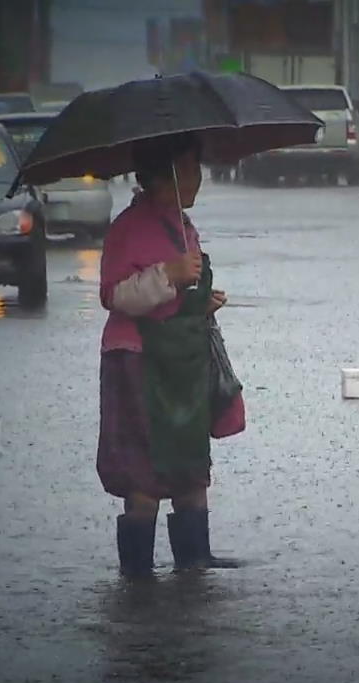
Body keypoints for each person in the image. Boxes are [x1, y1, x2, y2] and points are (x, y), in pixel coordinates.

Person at [97, 132, 240, 576]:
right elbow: (115, 295)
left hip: (185, 365)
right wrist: (169, 275)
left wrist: (200, 301)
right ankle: (137, 572)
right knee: (144, 470)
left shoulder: (182, 224)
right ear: (164, 175)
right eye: (191, 169)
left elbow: (181, 293)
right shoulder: (128, 228)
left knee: (189, 464)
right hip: (139, 363)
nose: (199, 178)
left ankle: (195, 559)